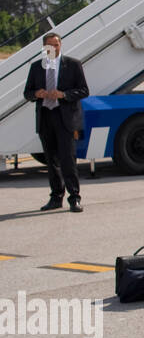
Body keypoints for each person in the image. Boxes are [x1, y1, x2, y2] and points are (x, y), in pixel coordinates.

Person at [23, 32, 89, 212]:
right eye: (49, 46)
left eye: (56, 45)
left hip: (64, 117)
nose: (53, 48)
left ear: (61, 46)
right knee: (51, 161)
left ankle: (74, 197)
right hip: (46, 116)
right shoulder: (37, 67)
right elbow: (27, 92)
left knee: (68, 159)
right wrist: (36, 94)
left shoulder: (73, 64)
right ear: (45, 48)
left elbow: (84, 90)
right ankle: (56, 197)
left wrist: (64, 95)